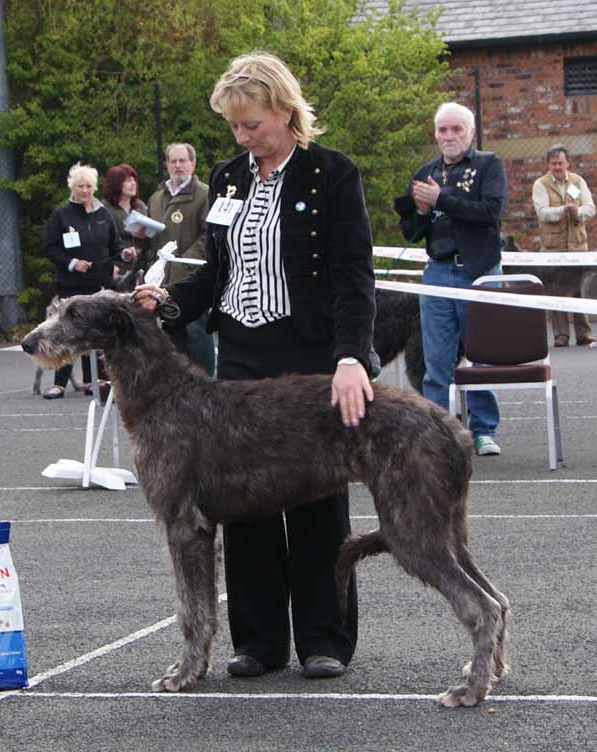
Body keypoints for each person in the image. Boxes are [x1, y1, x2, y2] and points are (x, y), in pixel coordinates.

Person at [134, 51, 376, 679]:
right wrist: (165, 306)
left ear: (285, 111)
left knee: (318, 501)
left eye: (251, 125)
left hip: (309, 360)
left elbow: (354, 277)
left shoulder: (332, 174)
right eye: (234, 127)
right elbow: (216, 272)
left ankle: (324, 639)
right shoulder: (230, 178)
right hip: (239, 357)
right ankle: (258, 641)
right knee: (242, 504)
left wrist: (351, 357)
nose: (242, 138)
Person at [396, 101, 506, 457]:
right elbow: (411, 232)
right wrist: (423, 211)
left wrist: (442, 198)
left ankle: (483, 429)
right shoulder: (426, 171)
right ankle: (435, 432)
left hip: (478, 273)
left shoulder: (489, 165)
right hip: (437, 273)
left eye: (456, 129)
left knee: (481, 358)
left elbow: (490, 213)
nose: (449, 136)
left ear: (470, 133)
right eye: (442, 129)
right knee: (435, 361)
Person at [42, 162, 122, 399]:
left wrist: (123, 257)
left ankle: (93, 381)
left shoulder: (103, 213)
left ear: (94, 188)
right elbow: (49, 248)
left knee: (95, 331)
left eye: (88, 186)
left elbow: (115, 246)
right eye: (80, 186)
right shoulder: (61, 214)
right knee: (66, 331)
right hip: (71, 284)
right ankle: (59, 383)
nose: (85, 191)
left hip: (98, 285)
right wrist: (72, 263)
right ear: (72, 187)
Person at [147, 143, 215, 376]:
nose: (177, 166)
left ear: (193, 164)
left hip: (193, 277)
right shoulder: (156, 198)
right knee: (170, 333)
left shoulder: (206, 194)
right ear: (167, 165)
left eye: (182, 161)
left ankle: (208, 386)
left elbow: (210, 234)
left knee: (197, 334)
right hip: (162, 281)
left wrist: (183, 262)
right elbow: (154, 239)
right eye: (173, 161)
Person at [532, 144, 597, 347]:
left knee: (581, 289)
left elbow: (590, 209)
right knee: (554, 290)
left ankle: (583, 334)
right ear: (548, 165)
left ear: (567, 163)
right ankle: (561, 335)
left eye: (560, 163)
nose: (557, 167)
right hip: (553, 249)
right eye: (553, 163)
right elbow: (542, 212)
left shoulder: (578, 182)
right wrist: (563, 210)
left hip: (578, 246)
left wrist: (577, 212)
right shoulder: (540, 185)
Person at [102, 163, 148, 277]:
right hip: (116, 270)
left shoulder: (140, 206)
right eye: (128, 180)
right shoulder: (104, 208)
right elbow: (100, 243)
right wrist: (109, 266)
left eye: (134, 180)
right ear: (116, 184)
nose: (133, 184)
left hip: (141, 268)